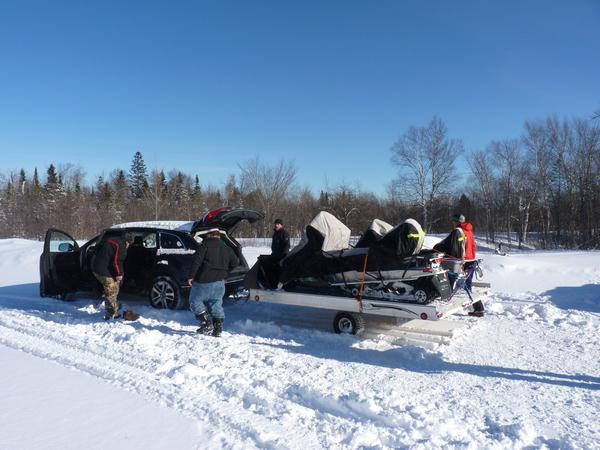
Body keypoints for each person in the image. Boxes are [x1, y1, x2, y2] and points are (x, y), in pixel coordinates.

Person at [187, 228, 239, 337]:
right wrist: (226, 274)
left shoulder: (204, 246)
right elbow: (235, 262)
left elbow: (196, 262)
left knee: (194, 301)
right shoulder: (227, 248)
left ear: (209, 235)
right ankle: (218, 329)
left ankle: (206, 323)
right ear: (219, 236)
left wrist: (191, 276)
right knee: (216, 304)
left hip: (204, 281)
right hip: (220, 282)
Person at [91, 231, 135, 320]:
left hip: (96, 267)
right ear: (127, 242)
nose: (128, 246)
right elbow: (117, 261)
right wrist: (119, 274)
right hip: (102, 269)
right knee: (112, 290)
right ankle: (112, 314)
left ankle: (112, 307)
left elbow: (97, 248)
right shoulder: (121, 246)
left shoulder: (111, 240)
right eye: (129, 244)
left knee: (112, 288)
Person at [452, 213, 485, 317]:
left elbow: (455, 248)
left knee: (465, 285)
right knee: (466, 285)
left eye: (453, 221)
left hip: (463, 261)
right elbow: (472, 246)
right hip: (471, 260)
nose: (452, 223)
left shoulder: (458, 231)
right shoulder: (469, 230)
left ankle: (479, 309)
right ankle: (478, 308)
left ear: (457, 222)